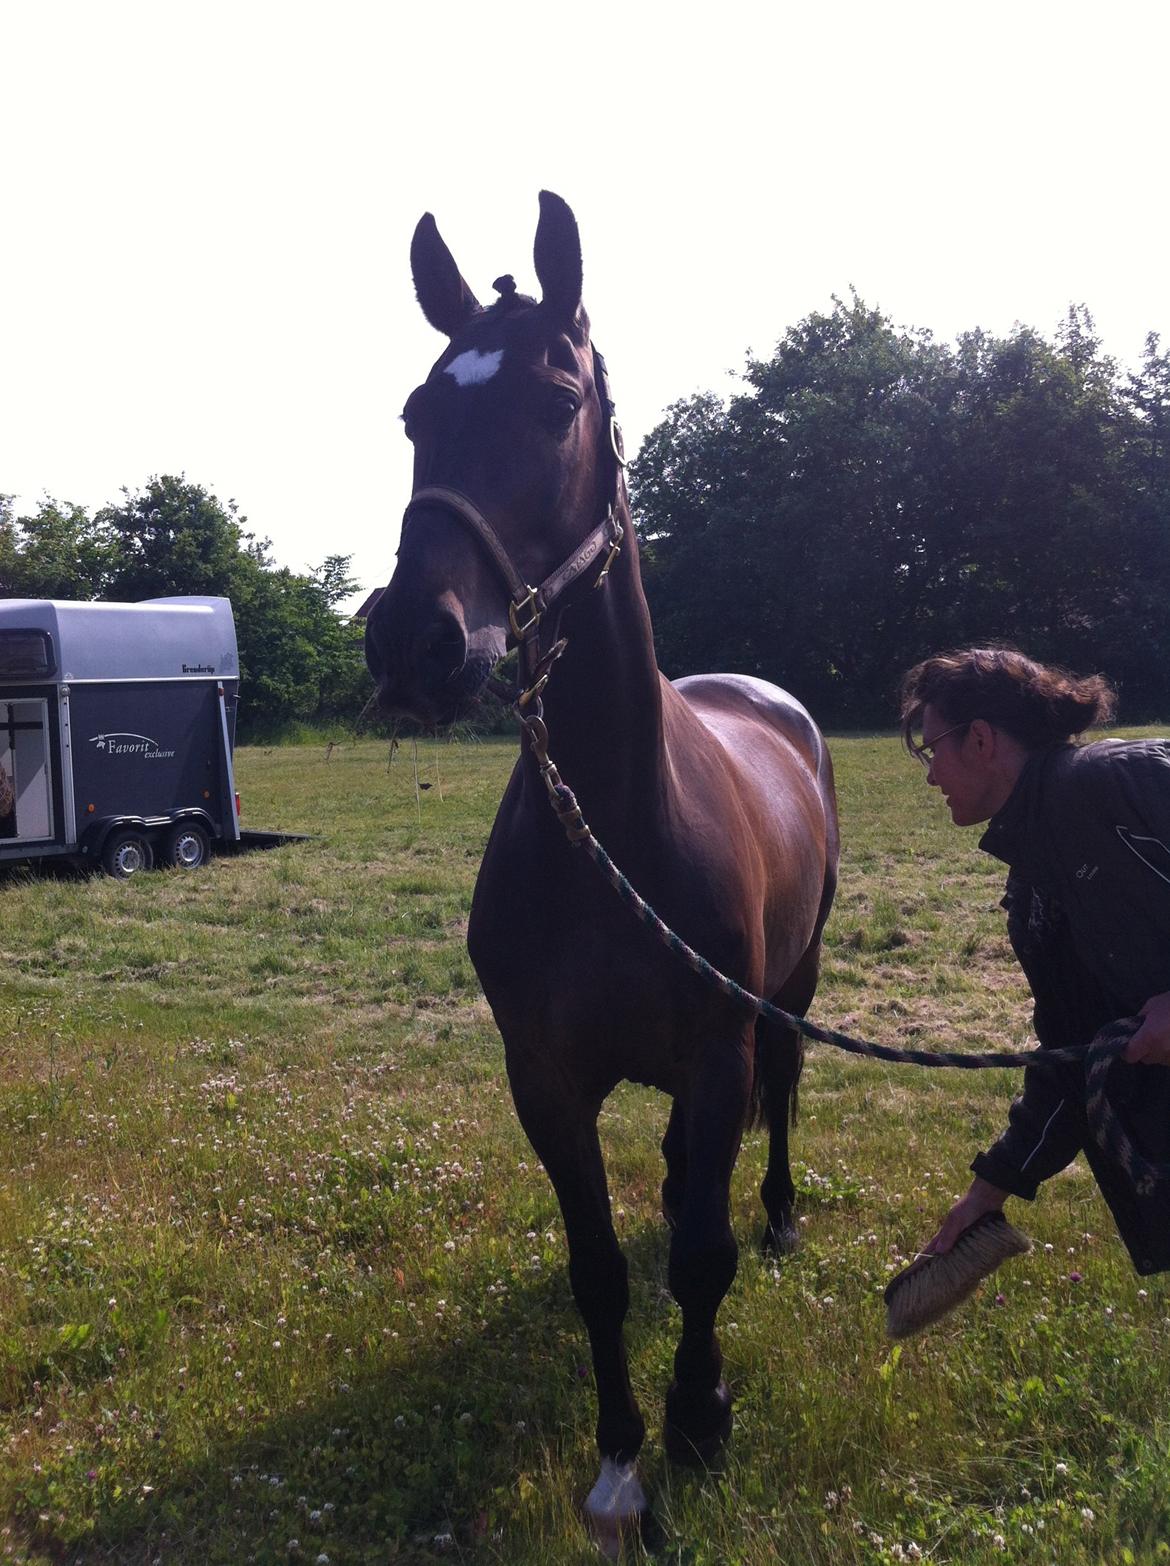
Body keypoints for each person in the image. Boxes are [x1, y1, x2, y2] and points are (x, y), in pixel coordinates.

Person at [900, 647, 1170, 1277]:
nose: (931, 776)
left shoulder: (1121, 781)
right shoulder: (1034, 891)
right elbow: (1069, 1058)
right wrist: (988, 1192)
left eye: (931, 749)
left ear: (982, 740)